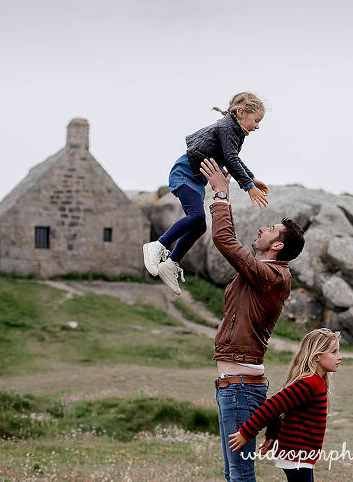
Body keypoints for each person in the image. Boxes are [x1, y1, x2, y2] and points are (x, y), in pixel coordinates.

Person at [200, 156, 306, 482]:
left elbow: (225, 242)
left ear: (277, 244)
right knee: (234, 474)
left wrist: (221, 195)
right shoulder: (263, 274)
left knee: (241, 475)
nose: (261, 228)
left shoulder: (274, 276)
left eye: (270, 229)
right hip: (233, 387)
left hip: (241, 388)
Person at [142, 92, 271, 295]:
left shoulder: (236, 130)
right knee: (196, 216)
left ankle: (171, 263)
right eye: (256, 120)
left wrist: (252, 178)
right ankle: (158, 245)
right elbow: (230, 159)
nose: (257, 126)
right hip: (185, 173)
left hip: (197, 179)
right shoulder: (227, 128)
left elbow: (233, 159)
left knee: (199, 226)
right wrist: (248, 187)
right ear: (242, 112)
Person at [228, 328, 342, 482]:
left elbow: (283, 410)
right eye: (333, 352)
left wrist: (272, 435)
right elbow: (273, 406)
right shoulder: (310, 382)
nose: (339, 357)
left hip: (302, 456)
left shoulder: (317, 382)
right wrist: (246, 433)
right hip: (297, 456)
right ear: (317, 356)